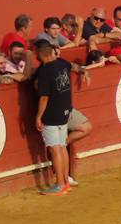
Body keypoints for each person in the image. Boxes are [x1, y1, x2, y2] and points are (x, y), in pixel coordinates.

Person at [34, 39, 90, 196]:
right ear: (51, 52)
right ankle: (65, 182)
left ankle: (60, 185)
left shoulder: (45, 72)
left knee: (56, 148)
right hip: (65, 111)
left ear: (39, 54)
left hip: (51, 114)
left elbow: (44, 97)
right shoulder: (62, 63)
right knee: (61, 146)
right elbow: (74, 67)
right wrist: (83, 70)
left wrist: (39, 116)